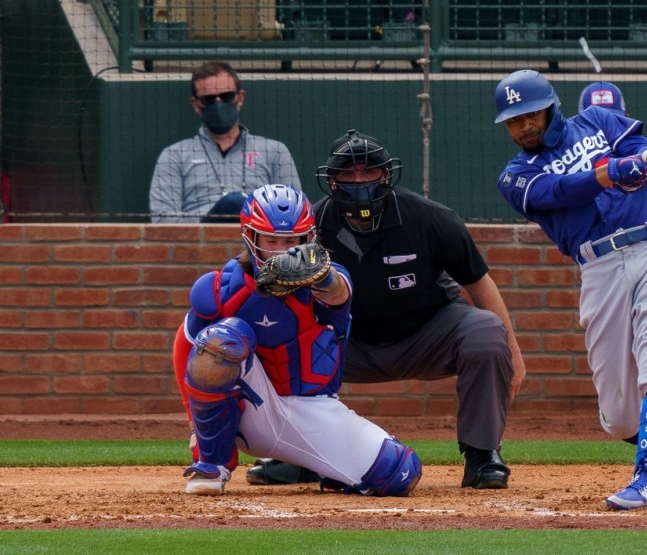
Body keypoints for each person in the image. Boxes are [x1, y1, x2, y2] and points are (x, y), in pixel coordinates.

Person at [245, 129, 525, 490]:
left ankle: (482, 455)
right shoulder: (312, 228)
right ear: (332, 181)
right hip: (348, 343)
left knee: (485, 331)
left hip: (428, 333)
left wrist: (513, 352)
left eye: (369, 171)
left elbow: (479, 282)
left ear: (386, 174)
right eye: (348, 173)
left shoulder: (430, 218)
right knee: (279, 336)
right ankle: (300, 456)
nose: (359, 181)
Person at [493, 70, 647, 510]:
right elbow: (562, 190)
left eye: (531, 114)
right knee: (619, 416)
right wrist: (608, 173)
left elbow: (642, 146)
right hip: (599, 268)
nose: (524, 126)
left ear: (551, 107)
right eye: (513, 120)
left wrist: (639, 159)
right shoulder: (514, 176)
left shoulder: (599, 120)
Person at [170, 183, 422, 497]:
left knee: (399, 474)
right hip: (246, 412)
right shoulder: (222, 287)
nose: (279, 250)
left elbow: (339, 293)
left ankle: (326, 467)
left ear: (308, 239)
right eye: (271, 240)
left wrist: (321, 277)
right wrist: (195, 420)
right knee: (223, 339)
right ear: (251, 237)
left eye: (291, 241)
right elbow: (186, 342)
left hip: (311, 409)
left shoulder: (327, 279)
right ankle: (213, 463)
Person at [149, 61, 300, 223]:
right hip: (200, 241)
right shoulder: (174, 155)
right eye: (209, 99)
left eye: (227, 96)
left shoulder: (274, 151)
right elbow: (162, 220)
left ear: (240, 98)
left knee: (237, 202)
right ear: (196, 105)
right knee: (232, 202)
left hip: (260, 236)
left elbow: (293, 211)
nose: (218, 104)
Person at [578, 81, 647, 221]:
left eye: (612, 119)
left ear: (626, 117)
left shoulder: (646, 154)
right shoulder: (572, 158)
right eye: (596, 121)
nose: (605, 126)